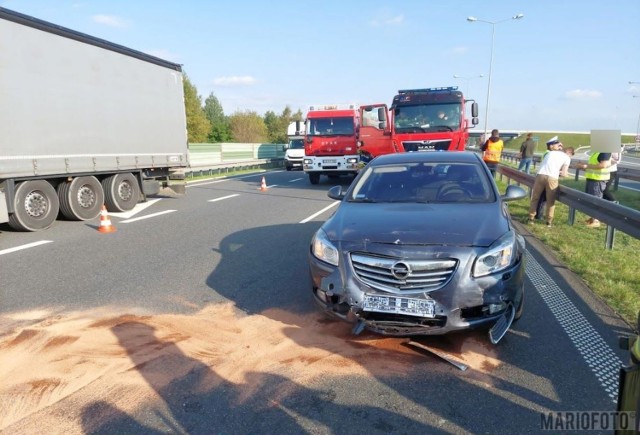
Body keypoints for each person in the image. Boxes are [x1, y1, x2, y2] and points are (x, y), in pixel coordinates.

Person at [526, 146, 575, 227]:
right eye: (571, 155)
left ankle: (531, 218)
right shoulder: (567, 158)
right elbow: (564, 173)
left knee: (535, 198)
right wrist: (565, 174)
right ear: (569, 152)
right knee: (550, 201)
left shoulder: (550, 153)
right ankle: (549, 221)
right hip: (552, 178)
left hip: (540, 175)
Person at [577, 151, 612, 228]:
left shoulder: (605, 151)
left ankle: (596, 220)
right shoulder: (596, 152)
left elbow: (603, 165)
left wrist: (586, 166)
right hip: (592, 178)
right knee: (591, 200)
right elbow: (594, 165)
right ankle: (593, 218)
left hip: (598, 179)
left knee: (596, 200)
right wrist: (583, 166)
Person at [534, 136, 562, 220]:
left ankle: (537, 215)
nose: (559, 147)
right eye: (557, 145)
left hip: (543, 175)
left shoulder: (547, 152)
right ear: (551, 146)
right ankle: (539, 215)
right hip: (546, 176)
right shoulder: (549, 153)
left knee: (541, 198)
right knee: (543, 198)